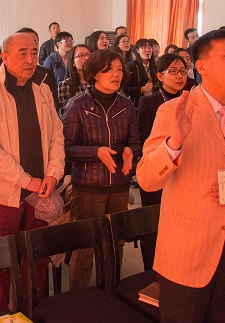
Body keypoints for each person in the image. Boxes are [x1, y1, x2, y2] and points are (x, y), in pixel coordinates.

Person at [136, 29, 225, 322]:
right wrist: (174, 143)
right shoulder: (174, 111)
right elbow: (146, 178)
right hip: (186, 249)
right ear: (202, 66)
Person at [0, 33, 65, 314]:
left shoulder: (42, 91)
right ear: (5, 57)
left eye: (34, 53)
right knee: (1, 262)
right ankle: (1, 315)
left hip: (40, 192)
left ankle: (29, 312)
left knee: (35, 258)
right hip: (3, 195)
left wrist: (53, 174)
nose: (29, 59)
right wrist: (28, 181)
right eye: (22, 53)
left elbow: (56, 136)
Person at [63, 49, 140, 290]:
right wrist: (95, 152)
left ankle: (110, 292)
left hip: (119, 184)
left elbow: (135, 142)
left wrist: (131, 152)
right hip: (88, 187)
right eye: (110, 69)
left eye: (119, 69)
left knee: (116, 243)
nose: (116, 74)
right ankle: (80, 300)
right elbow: (66, 148)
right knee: (85, 247)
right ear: (95, 73)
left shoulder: (126, 105)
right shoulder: (77, 105)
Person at [136, 53, 188, 270]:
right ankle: (151, 270)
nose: (179, 76)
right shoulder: (149, 101)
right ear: (160, 75)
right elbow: (143, 136)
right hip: (157, 167)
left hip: (182, 171)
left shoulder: (191, 101)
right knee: (154, 223)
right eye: (173, 71)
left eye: (183, 71)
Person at [16, 27, 61, 112]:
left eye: (34, 42)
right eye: (25, 42)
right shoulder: (6, 76)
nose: (30, 46)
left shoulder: (46, 74)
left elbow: (54, 106)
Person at [58, 44, 91, 116]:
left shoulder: (98, 81)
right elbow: (66, 114)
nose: (87, 58)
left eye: (89, 54)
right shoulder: (66, 85)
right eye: (81, 55)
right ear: (73, 63)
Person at [124, 38, 156, 108]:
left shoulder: (155, 66)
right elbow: (126, 89)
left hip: (153, 103)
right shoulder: (131, 66)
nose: (148, 50)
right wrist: (142, 89)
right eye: (144, 47)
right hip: (137, 105)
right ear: (137, 50)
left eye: (150, 47)